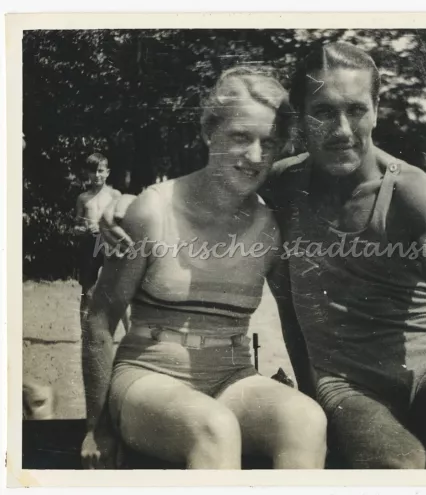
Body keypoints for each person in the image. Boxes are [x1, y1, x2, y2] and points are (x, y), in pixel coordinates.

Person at [101, 43, 426, 469]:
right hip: (346, 385)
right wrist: (119, 202)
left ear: (377, 108)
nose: (341, 130)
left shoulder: (416, 195)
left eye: (356, 109)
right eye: (323, 112)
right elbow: (207, 189)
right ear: (300, 118)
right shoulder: (282, 185)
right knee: (401, 466)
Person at [82, 67, 327, 470]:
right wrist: (96, 426)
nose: (254, 156)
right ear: (208, 131)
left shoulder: (269, 228)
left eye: (269, 142)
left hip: (231, 380)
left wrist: (315, 398)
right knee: (213, 426)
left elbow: (296, 324)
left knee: (305, 421)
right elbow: (99, 318)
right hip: (146, 379)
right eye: (239, 137)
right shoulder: (152, 209)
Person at [73, 153, 125, 325]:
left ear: (107, 172)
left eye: (101, 171)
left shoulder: (115, 195)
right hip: (90, 245)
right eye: (93, 171)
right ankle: (83, 335)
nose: (97, 175)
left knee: (118, 290)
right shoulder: (83, 198)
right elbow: (76, 227)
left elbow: (122, 223)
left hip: (110, 244)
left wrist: (105, 228)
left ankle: (128, 332)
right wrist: (83, 229)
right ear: (87, 173)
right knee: (87, 291)